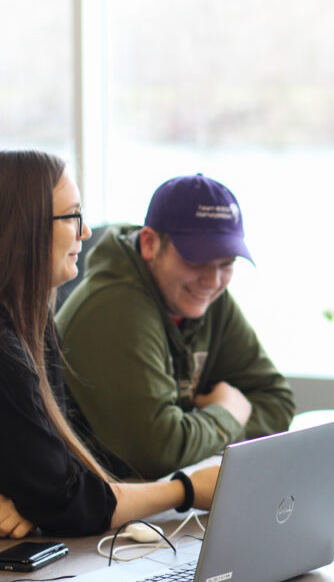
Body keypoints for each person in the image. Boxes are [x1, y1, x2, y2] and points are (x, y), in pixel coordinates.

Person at [0, 150, 219, 537]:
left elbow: (69, 471)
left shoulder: (25, 326)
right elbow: (69, 501)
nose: (84, 232)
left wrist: (34, 500)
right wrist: (185, 490)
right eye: (72, 216)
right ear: (20, 230)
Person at [55, 174, 295, 480]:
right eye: (196, 261)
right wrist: (227, 415)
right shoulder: (113, 307)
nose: (212, 280)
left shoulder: (205, 296)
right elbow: (159, 453)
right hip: (76, 512)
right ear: (150, 244)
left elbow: (277, 402)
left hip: (146, 501)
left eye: (227, 263)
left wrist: (194, 427)